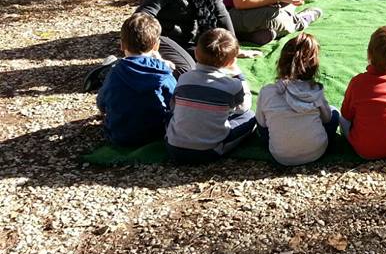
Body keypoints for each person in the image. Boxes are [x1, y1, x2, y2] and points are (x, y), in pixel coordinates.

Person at [165, 28, 256, 163]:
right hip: (209, 151)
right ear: (231, 62)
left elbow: (173, 108)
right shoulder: (233, 86)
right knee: (250, 116)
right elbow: (244, 108)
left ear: (196, 52)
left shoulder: (184, 79)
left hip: (173, 147)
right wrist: (239, 76)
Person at [255, 33, 340, 166]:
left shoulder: (267, 91)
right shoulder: (316, 91)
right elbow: (327, 119)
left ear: (282, 62)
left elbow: (262, 122)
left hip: (280, 155)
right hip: (316, 152)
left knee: (262, 123)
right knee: (334, 113)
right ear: (314, 67)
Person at [97, 13, 177, 147]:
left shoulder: (115, 72)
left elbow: (102, 103)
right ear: (156, 46)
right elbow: (175, 101)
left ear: (122, 45)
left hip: (120, 136)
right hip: (158, 133)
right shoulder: (163, 72)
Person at [340, 26, 386, 159]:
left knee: (339, 116)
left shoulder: (357, 82)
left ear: (369, 54)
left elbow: (346, 116)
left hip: (364, 150)